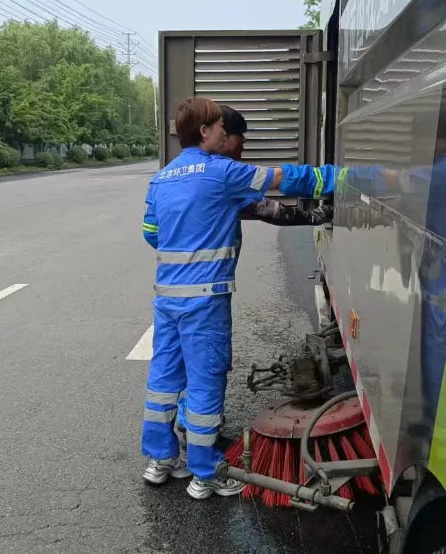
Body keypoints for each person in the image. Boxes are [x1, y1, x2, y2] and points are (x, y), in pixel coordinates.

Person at [140, 96, 336, 499]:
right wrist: (343, 177)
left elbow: (152, 234)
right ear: (207, 132)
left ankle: (161, 459)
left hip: (168, 298)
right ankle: (206, 472)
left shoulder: (160, 179)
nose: (225, 134)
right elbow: (287, 179)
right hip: (205, 301)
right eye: (220, 128)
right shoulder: (221, 173)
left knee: (163, 380)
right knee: (206, 378)